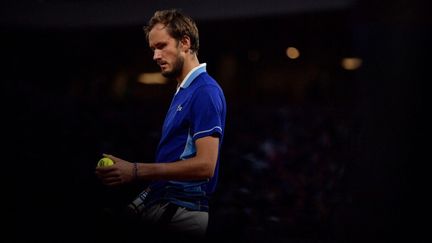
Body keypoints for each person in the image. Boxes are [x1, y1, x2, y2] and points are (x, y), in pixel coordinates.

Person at [95, 9, 227, 241]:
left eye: (161, 46)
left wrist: (135, 171)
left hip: (180, 212)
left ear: (185, 42)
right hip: (167, 207)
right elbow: (172, 164)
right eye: (153, 49)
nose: (155, 55)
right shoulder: (184, 91)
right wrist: (139, 204)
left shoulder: (204, 91)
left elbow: (206, 166)